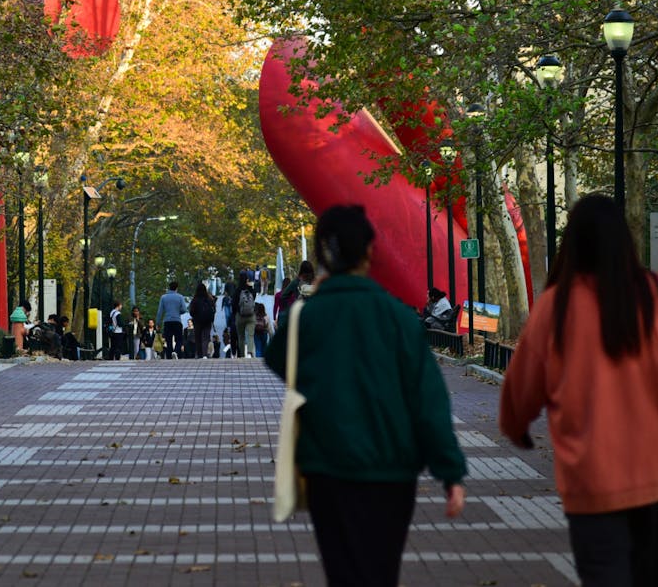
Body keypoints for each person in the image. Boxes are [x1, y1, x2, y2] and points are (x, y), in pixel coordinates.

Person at [499, 194, 658, 586]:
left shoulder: (555, 307)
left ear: (574, 244)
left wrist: (517, 427)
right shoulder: (654, 293)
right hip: (653, 472)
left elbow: (522, 387)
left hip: (589, 480)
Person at [265, 204, 466, 586]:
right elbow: (429, 401)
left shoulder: (305, 318)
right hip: (392, 469)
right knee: (381, 571)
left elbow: (277, 359)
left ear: (324, 255)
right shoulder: (399, 318)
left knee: (343, 572)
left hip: (327, 468)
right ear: (371, 251)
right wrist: (450, 471)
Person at [156, 280, 185, 360]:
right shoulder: (180, 297)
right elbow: (184, 309)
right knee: (179, 339)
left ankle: (169, 357)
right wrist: (177, 311)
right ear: (177, 288)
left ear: (169, 287)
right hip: (177, 320)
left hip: (167, 321)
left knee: (168, 340)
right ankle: (175, 352)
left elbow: (160, 311)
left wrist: (158, 323)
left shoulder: (163, 297)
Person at [189, 282, 217, 359]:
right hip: (207, 321)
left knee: (198, 338)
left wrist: (195, 316)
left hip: (197, 321)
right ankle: (205, 354)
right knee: (205, 337)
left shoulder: (195, 299)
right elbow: (213, 310)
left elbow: (191, 311)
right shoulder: (209, 299)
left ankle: (199, 354)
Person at [233, 274, 258, 357]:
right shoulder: (250, 289)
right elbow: (254, 296)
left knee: (241, 336)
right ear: (247, 280)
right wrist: (250, 286)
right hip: (251, 315)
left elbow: (234, 304)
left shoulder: (237, 290)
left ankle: (242, 354)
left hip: (240, 316)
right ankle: (250, 352)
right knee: (250, 335)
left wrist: (235, 314)